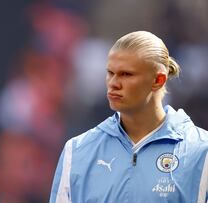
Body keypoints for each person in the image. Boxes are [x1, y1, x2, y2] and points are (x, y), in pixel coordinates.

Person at [49, 31, 208, 202]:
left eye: (126, 74)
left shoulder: (201, 151)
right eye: (110, 73)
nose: (113, 83)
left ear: (158, 80)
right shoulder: (76, 151)